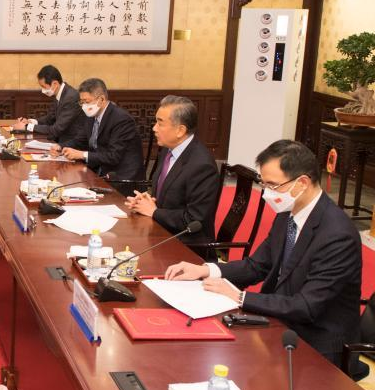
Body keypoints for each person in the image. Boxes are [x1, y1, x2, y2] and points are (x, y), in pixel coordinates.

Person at [164, 140, 361, 365]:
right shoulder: (288, 212)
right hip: (278, 321)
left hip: (315, 343)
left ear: (302, 183)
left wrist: (240, 297)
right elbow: (257, 265)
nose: (266, 193)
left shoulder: (337, 235)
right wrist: (206, 270)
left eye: (273, 186)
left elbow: (306, 306)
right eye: (263, 184)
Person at [126, 96, 219, 255]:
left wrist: (154, 212)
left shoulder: (202, 165)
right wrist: (147, 200)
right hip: (161, 232)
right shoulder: (169, 150)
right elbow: (168, 193)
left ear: (180, 130)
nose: (154, 128)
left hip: (187, 247)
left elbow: (194, 219)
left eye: (160, 123)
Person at [54, 78, 144, 181]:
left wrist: (82, 155)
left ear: (101, 99)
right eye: (81, 102)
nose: (84, 106)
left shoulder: (121, 119)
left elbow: (113, 156)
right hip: (99, 169)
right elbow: (80, 140)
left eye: (87, 102)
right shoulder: (91, 116)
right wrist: (60, 147)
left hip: (121, 177)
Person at [12, 65, 89, 148]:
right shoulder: (60, 93)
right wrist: (30, 122)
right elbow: (49, 118)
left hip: (72, 145)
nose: (43, 90)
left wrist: (27, 127)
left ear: (55, 84)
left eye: (44, 87)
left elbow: (56, 129)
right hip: (60, 142)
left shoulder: (70, 97)